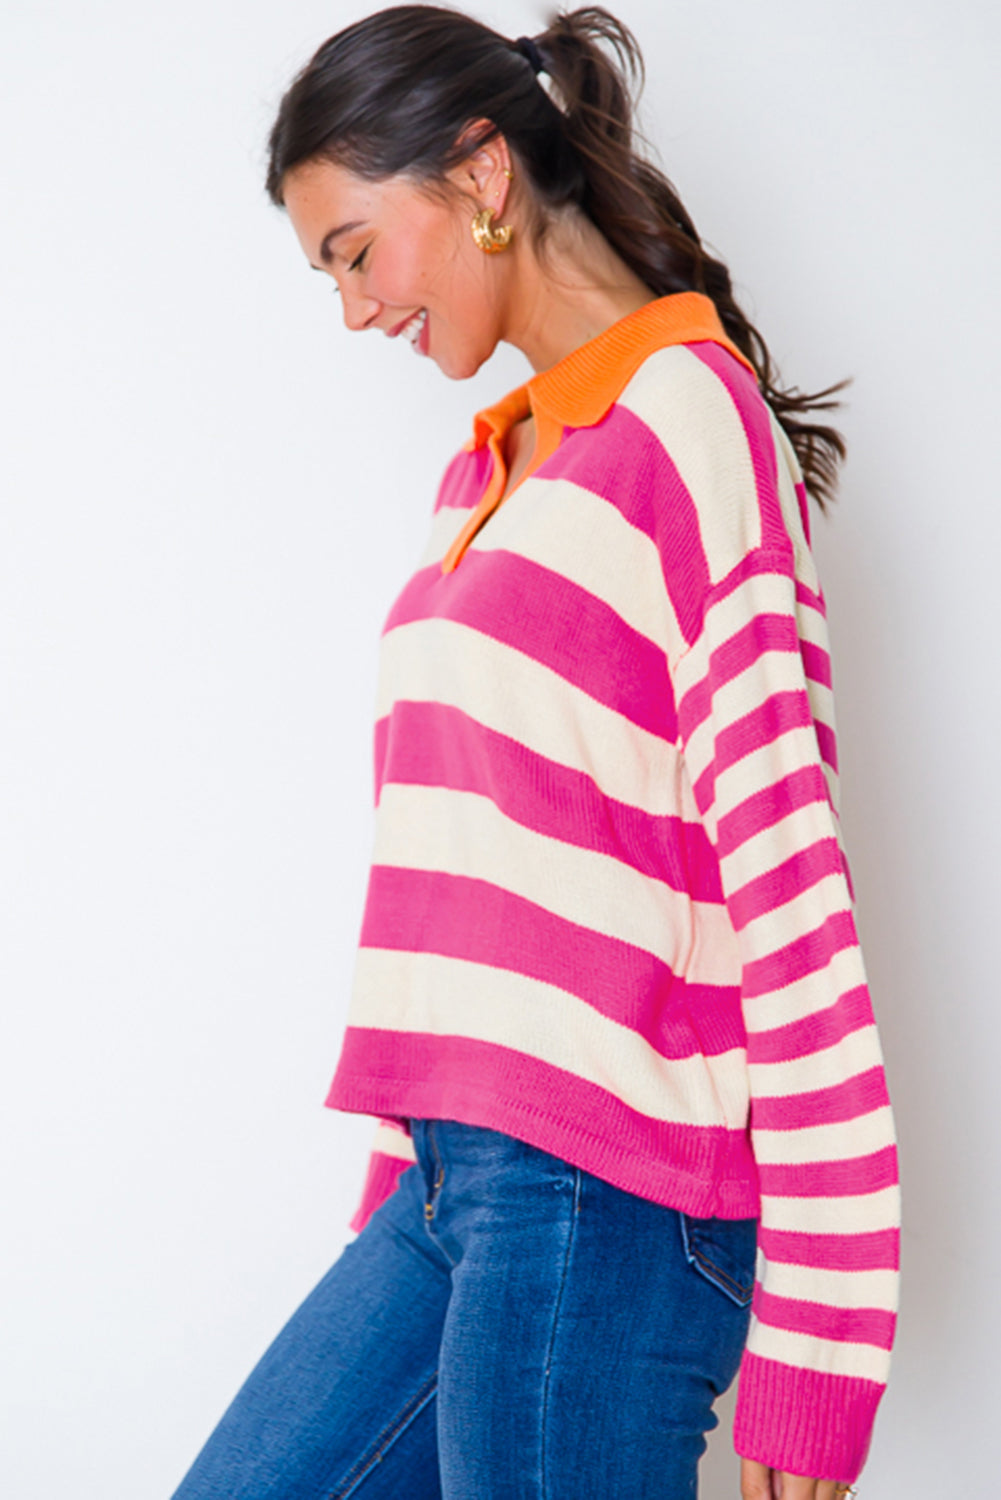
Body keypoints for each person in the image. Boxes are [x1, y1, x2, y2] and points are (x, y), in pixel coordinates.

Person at [172, 6, 899, 1498]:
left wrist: (824, 1338)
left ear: (480, 172)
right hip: (458, 1183)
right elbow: (466, 880)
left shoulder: (689, 420)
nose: (354, 311)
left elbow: (787, 878)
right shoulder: (489, 468)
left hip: (613, 1195)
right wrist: (399, 1188)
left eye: (355, 251)